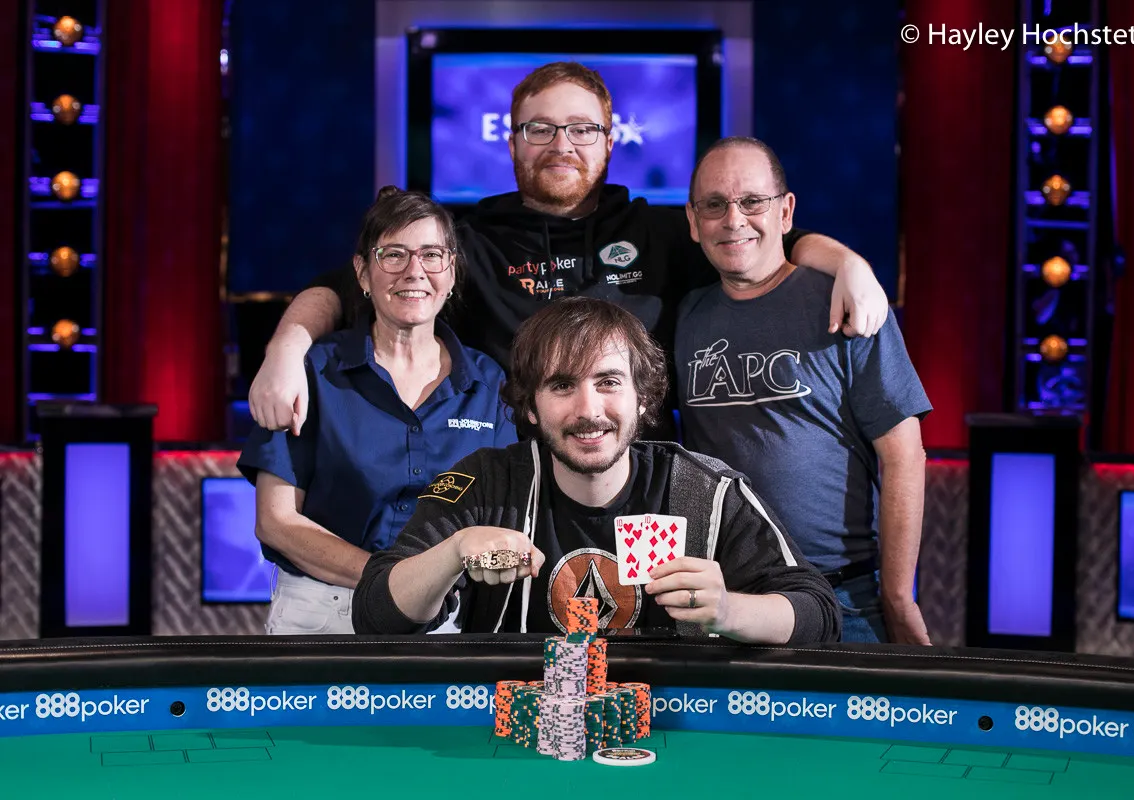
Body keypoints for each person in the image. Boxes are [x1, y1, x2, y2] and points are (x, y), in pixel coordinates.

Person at [248, 62, 890, 439]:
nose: (562, 145)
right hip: (506, 496)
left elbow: (769, 241)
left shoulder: (665, 231)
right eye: (541, 129)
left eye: (582, 129)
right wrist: (284, 351)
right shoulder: (463, 242)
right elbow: (339, 289)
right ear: (512, 142)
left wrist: (848, 264)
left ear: (610, 141)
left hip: (642, 497)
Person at [352, 297, 841, 645]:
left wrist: (730, 610)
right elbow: (374, 616)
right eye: (562, 386)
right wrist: (452, 553)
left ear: (642, 397)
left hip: (673, 724)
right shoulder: (488, 483)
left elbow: (819, 615)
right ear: (530, 407)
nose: (589, 411)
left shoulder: (705, 489)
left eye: (608, 382)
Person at [675, 137, 933, 645]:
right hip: (726, 602)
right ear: (693, 220)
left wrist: (899, 598)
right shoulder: (685, 316)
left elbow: (905, 456)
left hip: (844, 599)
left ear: (786, 211)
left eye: (753, 201)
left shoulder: (847, 302)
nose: (733, 219)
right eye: (714, 204)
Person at [237, 188, 517, 634]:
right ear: (362, 273)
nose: (414, 271)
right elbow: (276, 521)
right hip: (323, 612)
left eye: (431, 255)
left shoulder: (489, 384)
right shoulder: (314, 372)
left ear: (451, 272)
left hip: (445, 617)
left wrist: (422, 586)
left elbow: (504, 517)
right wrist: (393, 583)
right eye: (393, 254)